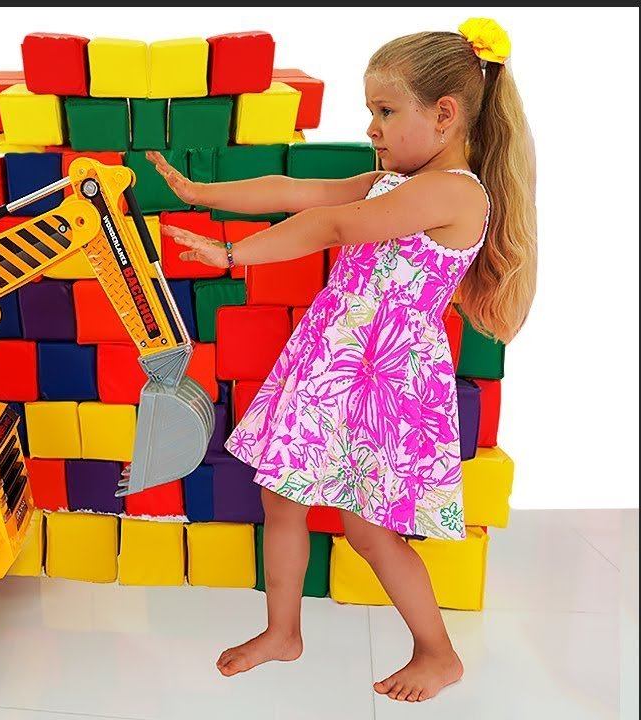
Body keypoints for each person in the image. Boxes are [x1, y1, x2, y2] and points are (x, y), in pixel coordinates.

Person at [149, 18, 535, 702]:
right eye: (371, 112)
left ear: (445, 115)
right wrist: (204, 196)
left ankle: (437, 651)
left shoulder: (456, 193)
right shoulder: (392, 181)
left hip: (383, 376)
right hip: (333, 358)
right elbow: (302, 194)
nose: (373, 128)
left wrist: (234, 255)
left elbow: (332, 226)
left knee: (367, 527)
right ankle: (282, 632)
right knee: (283, 494)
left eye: (386, 112)